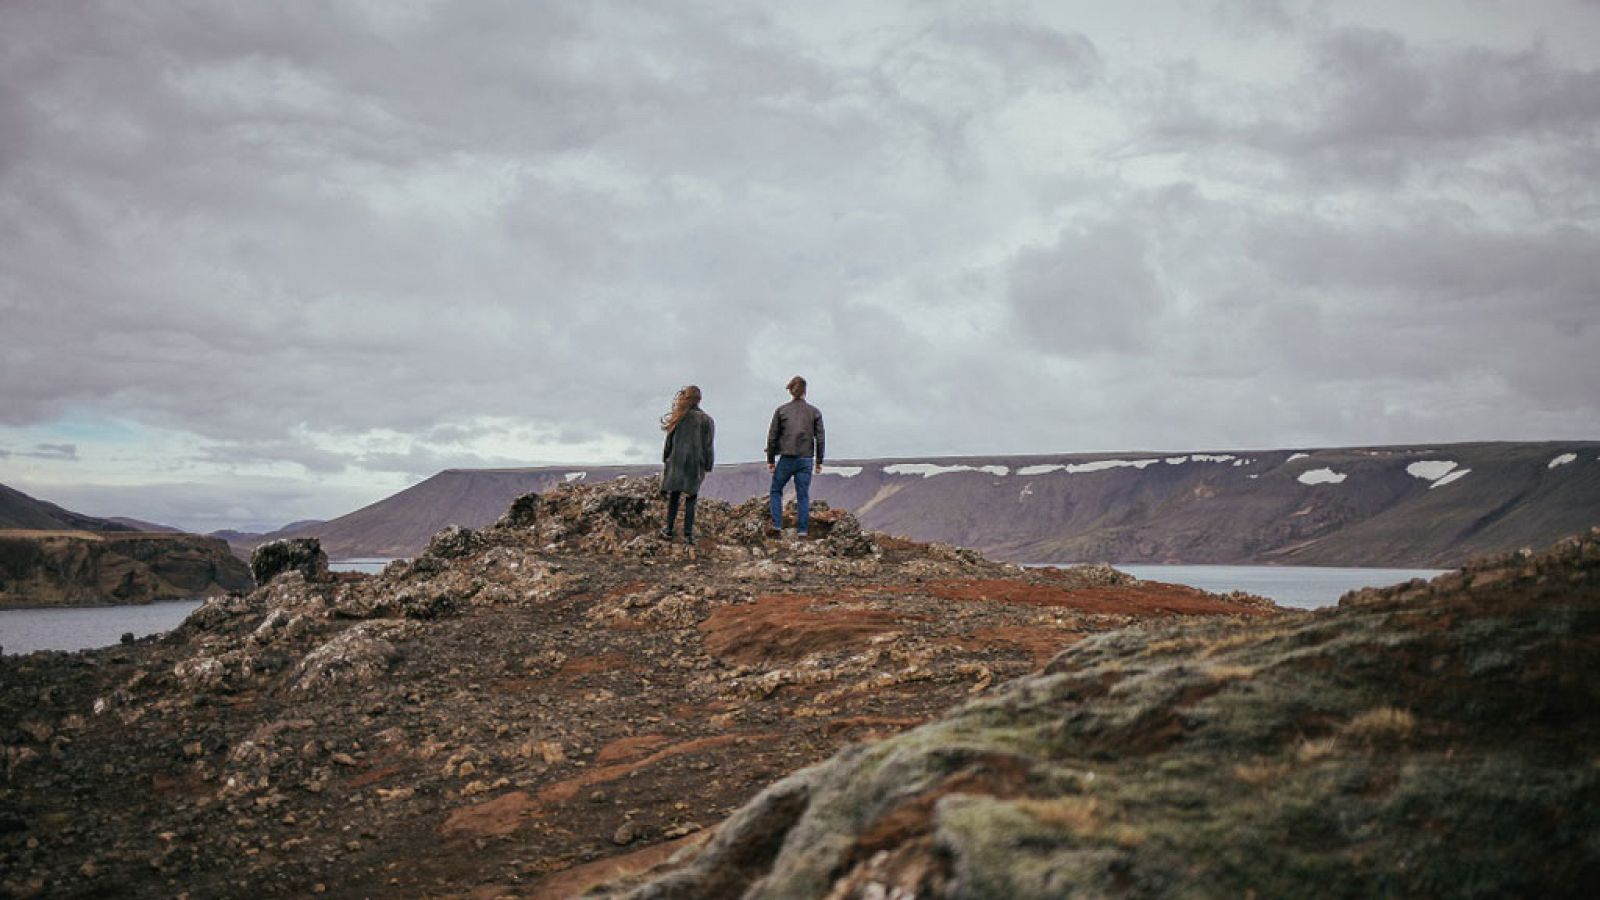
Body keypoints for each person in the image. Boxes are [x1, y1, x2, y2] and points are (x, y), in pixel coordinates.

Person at [766, 375, 824, 537]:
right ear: (805, 391)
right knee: (803, 494)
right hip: (806, 458)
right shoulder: (814, 412)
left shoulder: (781, 411)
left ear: (791, 391)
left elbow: (772, 436)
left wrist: (771, 460)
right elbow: (820, 437)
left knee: (776, 490)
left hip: (787, 457)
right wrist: (819, 461)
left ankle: (777, 525)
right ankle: (802, 531)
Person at [659, 385, 715, 544]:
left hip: (676, 462)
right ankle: (688, 535)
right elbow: (708, 445)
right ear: (699, 400)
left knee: (674, 496)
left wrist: (666, 459)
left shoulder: (678, 417)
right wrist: (708, 465)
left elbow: (668, 443)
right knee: (691, 497)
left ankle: (668, 529)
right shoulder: (706, 420)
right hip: (695, 464)